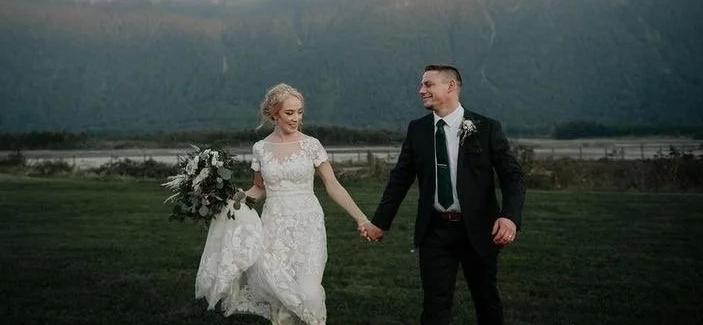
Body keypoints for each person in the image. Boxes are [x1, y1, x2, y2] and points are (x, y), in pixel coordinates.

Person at [360, 64, 525, 325]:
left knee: (486, 301)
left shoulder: (486, 127)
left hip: (480, 230)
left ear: (451, 86)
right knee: (435, 306)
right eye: (421, 85)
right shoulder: (417, 129)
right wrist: (380, 223)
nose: (421, 90)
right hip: (434, 231)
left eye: (428, 84)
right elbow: (400, 179)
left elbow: (512, 176)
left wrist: (510, 217)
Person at [201, 83, 369, 325]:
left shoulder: (311, 145)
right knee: (280, 297)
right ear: (274, 114)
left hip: (308, 224)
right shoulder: (260, 148)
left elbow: (332, 184)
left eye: (300, 112)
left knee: (308, 293)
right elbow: (259, 188)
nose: (296, 118)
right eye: (290, 113)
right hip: (273, 227)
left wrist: (361, 218)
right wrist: (233, 199)